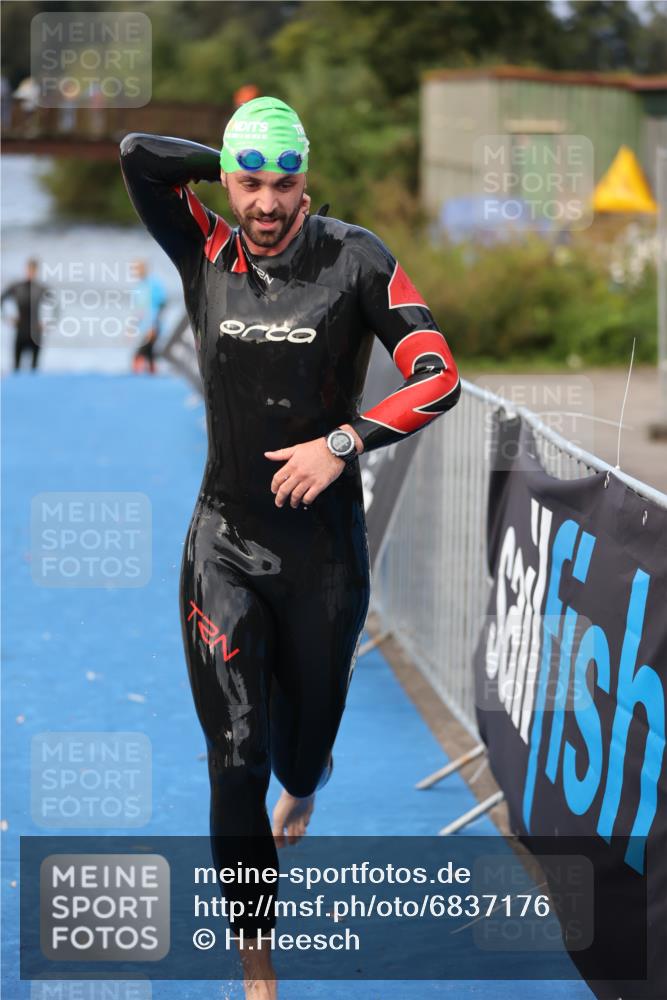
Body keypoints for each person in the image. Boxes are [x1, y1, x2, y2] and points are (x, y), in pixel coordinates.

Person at [119, 96, 460, 998]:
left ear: (307, 181)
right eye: (249, 183)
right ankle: (256, 959)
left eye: (284, 181)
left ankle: (306, 782)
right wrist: (232, 154)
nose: (265, 204)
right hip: (223, 542)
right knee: (236, 757)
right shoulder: (203, 246)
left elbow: (439, 377)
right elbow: (137, 153)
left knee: (296, 759)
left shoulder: (356, 258)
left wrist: (342, 442)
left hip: (323, 559)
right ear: (228, 184)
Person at [1, 258, 54, 371]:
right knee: (16, 367)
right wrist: (6, 318)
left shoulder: (40, 289)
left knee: (34, 368)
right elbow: (2, 300)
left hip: (35, 332)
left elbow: (56, 305)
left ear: (36, 271)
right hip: (21, 330)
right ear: (26, 269)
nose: (31, 272)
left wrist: (48, 322)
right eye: (29, 269)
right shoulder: (17, 287)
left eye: (33, 270)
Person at [130, 259, 167, 374]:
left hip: (153, 326)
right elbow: (140, 310)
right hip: (144, 327)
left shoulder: (154, 284)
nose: (137, 272)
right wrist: (132, 327)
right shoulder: (139, 287)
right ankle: (153, 374)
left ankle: (137, 377)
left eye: (139, 269)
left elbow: (162, 305)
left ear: (145, 269)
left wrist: (154, 326)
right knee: (149, 354)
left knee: (139, 355)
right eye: (135, 269)